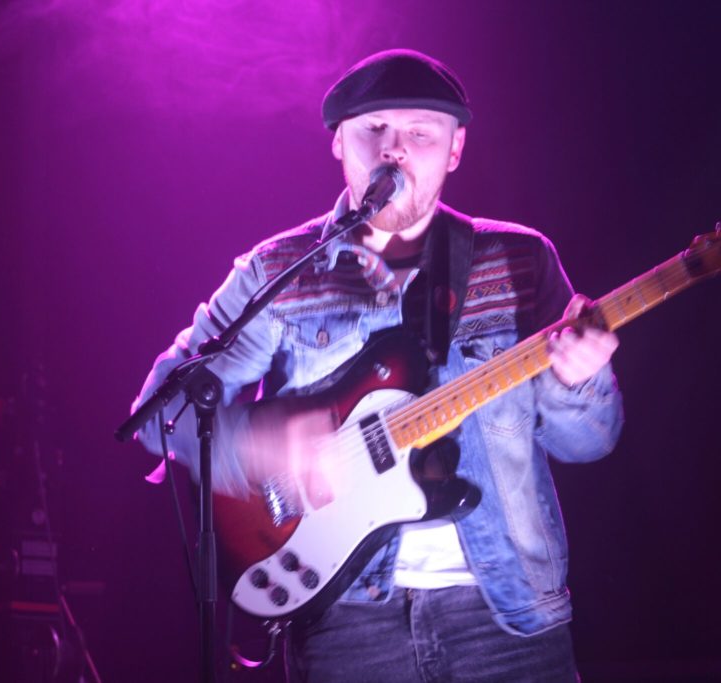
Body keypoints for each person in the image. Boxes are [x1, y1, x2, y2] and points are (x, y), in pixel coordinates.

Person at [132, 49, 623, 682]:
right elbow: (158, 417)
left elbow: (588, 443)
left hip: (507, 617)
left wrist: (578, 380)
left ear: (454, 149)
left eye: (420, 133)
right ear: (339, 143)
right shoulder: (279, 272)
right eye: (373, 131)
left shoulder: (519, 261)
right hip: (346, 623)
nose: (395, 150)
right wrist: (265, 445)